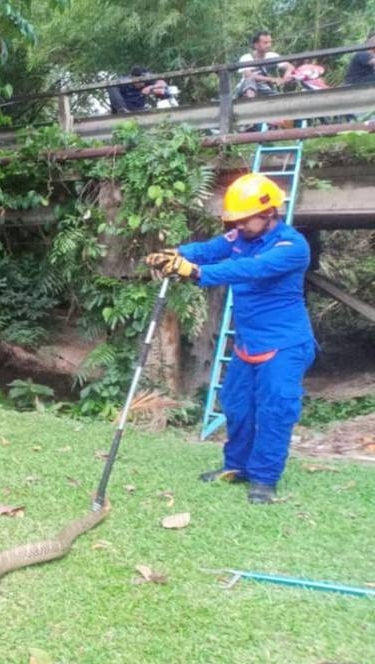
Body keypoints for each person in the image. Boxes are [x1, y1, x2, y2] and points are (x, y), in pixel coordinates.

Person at [145, 173, 315, 504]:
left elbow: (251, 269)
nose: (236, 225)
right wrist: (175, 253)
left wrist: (195, 272)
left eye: (243, 219)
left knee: (275, 412)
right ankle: (235, 466)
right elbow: (209, 249)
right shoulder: (240, 236)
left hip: (284, 345)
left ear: (268, 214)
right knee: (237, 406)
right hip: (248, 344)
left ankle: (264, 479)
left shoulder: (292, 247)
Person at [236, 30, 293, 99]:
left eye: (270, 42)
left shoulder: (272, 56)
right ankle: (250, 103)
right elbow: (248, 75)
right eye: (265, 43)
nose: (269, 45)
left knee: (292, 79)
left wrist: (287, 75)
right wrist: (271, 79)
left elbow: (289, 66)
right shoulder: (246, 57)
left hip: (264, 87)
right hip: (246, 88)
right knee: (249, 81)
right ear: (256, 45)